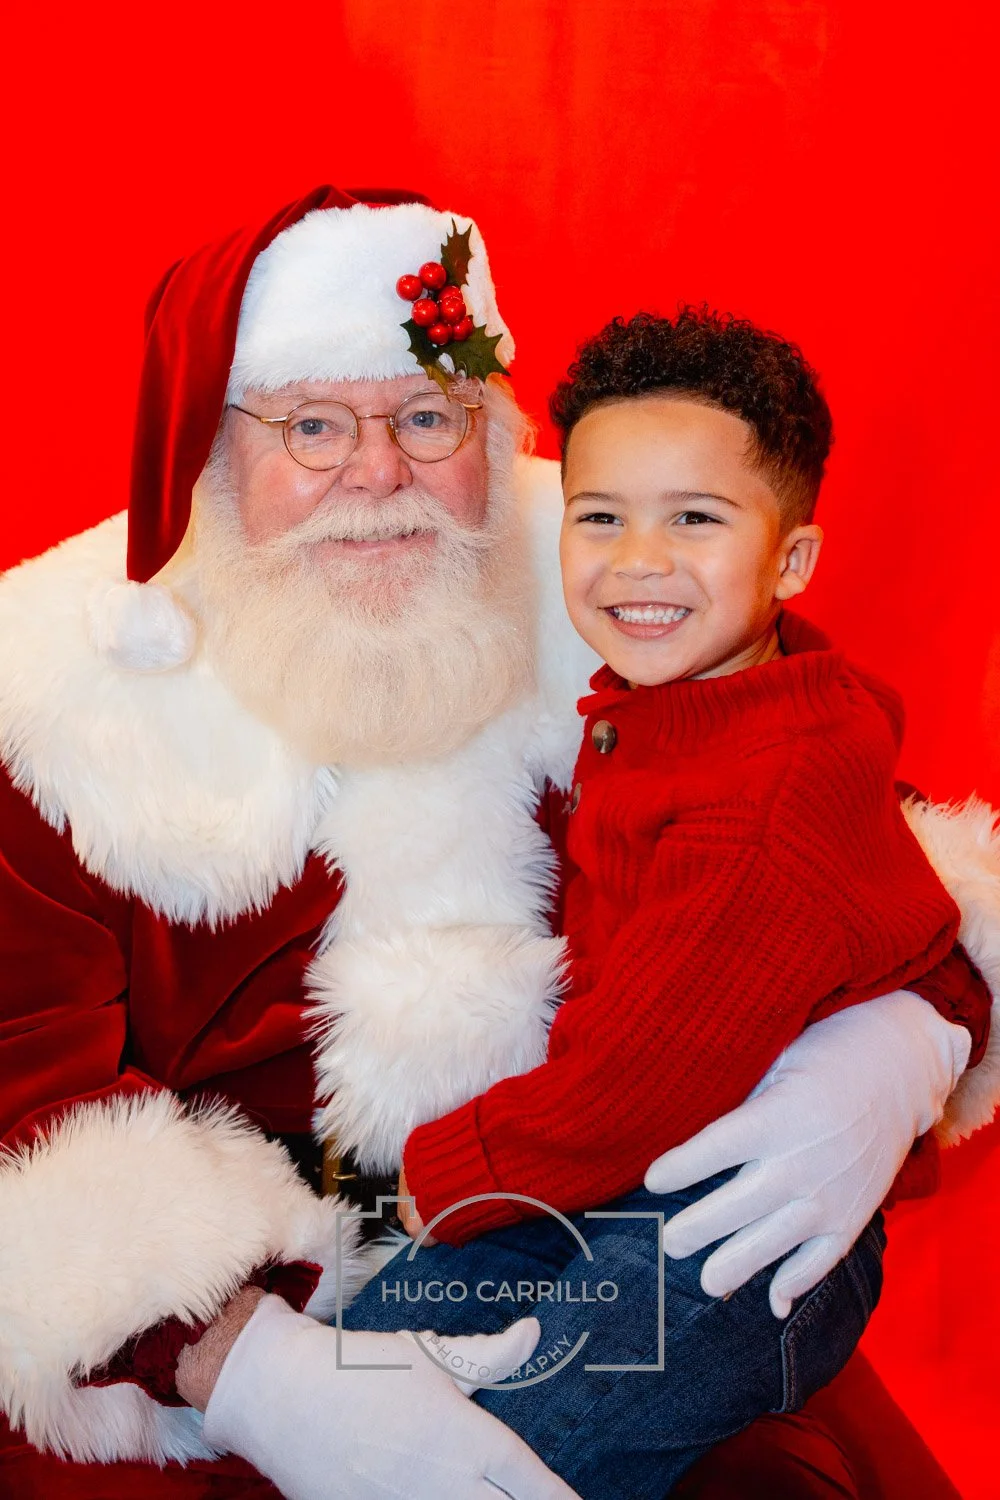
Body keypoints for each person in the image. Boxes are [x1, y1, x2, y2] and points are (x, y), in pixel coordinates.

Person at [0, 187, 995, 1500]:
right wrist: (248, 1367)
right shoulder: (53, 695)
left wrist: (907, 1039)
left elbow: (853, 833)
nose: (378, 473)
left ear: (494, 428)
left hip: (624, 1224)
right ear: (211, 449)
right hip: (205, 1329)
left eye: (428, 418)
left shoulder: (617, 572)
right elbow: (20, 1099)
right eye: (311, 426)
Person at [329, 307, 981, 1497]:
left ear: (790, 560)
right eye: (599, 518)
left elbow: (635, 1089)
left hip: (734, 1239)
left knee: (512, 1449)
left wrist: (393, 1183)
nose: (637, 561)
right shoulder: (708, 696)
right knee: (356, 1378)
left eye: (694, 519)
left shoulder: (766, 800)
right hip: (605, 1171)